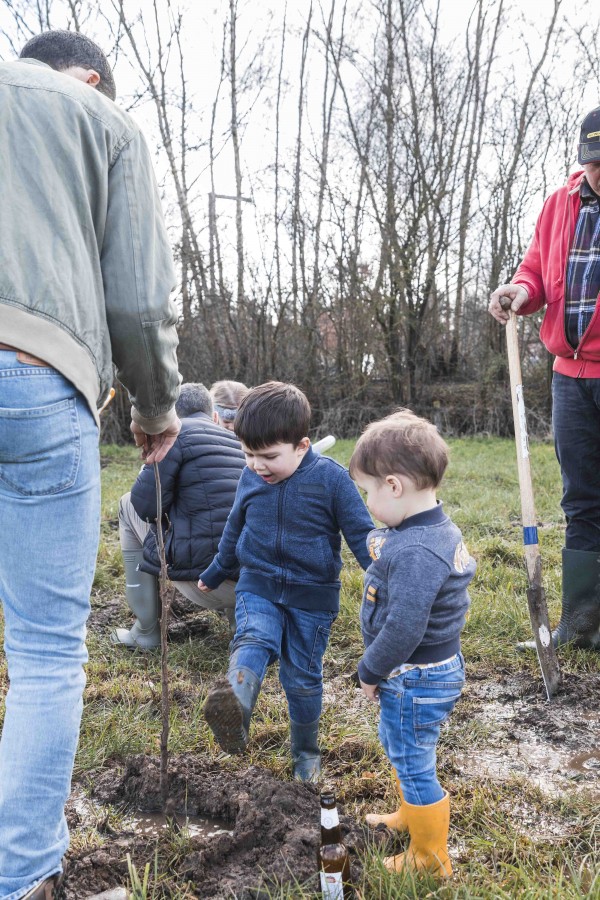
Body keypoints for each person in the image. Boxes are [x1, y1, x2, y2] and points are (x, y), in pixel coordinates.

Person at [0, 31, 181, 900]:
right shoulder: (99, 122)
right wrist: (153, 408)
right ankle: (26, 877)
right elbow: (139, 302)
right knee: (41, 650)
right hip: (36, 372)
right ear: (93, 80)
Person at [197, 382, 374, 781]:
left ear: (302, 445)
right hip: (257, 581)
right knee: (254, 636)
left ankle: (306, 756)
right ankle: (236, 703)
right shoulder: (250, 477)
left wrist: (380, 575)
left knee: (301, 678)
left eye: (269, 457)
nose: (257, 466)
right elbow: (234, 525)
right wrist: (218, 568)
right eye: (248, 454)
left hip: (311, 597)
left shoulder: (332, 480)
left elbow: (361, 534)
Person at [489, 106, 600, 650]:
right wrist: (520, 291)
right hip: (570, 376)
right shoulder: (560, 204)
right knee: (581, 500)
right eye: (594, 163)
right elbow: (536, 269)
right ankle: (581, 626)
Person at [348, 411, 475, 878]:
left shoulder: (417, 551)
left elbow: (404, 628)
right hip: (423, 671)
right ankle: (411, 813)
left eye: (369, 491)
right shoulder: (425, 530)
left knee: (412, 755)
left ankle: (430, 856)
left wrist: (369, 671)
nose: (368, 502)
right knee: (399, 742)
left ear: (394, 486)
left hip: (414, 674)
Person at [113, 383, 246, 648]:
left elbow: (146, 506)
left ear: (169, 419)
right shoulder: (241, 444)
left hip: (206, 584)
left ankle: (145, 630)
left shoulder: (173, 437)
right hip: (252, 583)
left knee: (126, 504)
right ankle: (239, 625)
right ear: (215, 417)